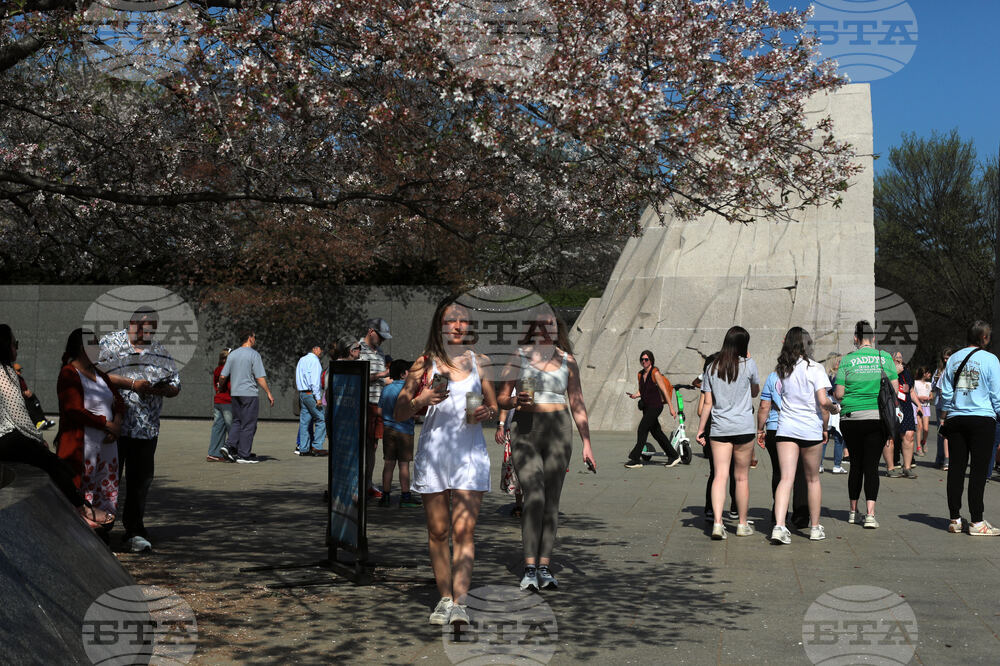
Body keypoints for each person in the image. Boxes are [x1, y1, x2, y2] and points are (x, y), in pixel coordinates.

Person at [393, 297, 498, 627]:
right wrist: (422, 399)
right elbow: (398, 411)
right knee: (438, 531)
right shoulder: (424, 364)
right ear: (440, 324)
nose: (457, 325)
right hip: (435, 454)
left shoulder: (481, 362)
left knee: (464, 531)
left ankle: (461, 603)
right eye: (451, 320)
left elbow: (493, 406)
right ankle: (444, 598)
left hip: (470, 454)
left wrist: (488, 412)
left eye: (463, 320)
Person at [498, 312, 596, 592]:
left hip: (559, 429)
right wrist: (515, 400)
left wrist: (587, 442)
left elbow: (577, 402)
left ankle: (544, 565)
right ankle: (529, 567)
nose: (545, 329)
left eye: (550, 324)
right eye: (540, 325)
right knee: (534, 495)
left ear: (557, 328)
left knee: (552, 499)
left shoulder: (567, 360)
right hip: (526, 428)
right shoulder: (519, 356)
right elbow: (503, 397)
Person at [0, 324, 113, 529]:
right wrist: (37, 438)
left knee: (54, 464)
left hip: (7, 437)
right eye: (15, 344)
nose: (17, 348)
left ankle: (80, 509)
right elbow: (17, 413)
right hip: (5, 437)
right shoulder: (4, 372)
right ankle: (83, 509)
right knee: (54, 463)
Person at [98, 308, 181, 553]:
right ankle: (101, 529)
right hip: (115, 426)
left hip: (146, 429)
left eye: (153, 328)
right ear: (132, 323)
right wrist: (133, 384)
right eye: (146, 327)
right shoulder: (110, 343)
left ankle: (134, 531)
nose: (149, 333)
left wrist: (163, 389)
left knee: (140, 482)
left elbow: (176, 384)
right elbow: (96, 374)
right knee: (108, 480)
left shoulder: (159, 351)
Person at [770, 327, 840, 545]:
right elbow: (822, 400)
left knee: (786, 479)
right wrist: (834, 407)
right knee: (812, 479)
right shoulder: (816, 368)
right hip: (810, 428)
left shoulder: (783, 369)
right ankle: (815, 527)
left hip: (786, 428)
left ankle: (779, 526)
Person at [56, 328, 127, 541]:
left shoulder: (100, 374)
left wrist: (116, 424)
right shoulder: (69, 373)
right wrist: (106, 424)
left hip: (106, 447)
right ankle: (79, 535)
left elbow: (119, 402)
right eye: (95, 344)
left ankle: (102, 532)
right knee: (82, 489)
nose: (99, 349)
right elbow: (73, 409)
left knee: (105, 488)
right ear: (82, 348)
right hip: (82, 446)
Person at [696, 326, 760, 540]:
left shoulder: (712, 366)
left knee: (719, 476)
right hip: (743, 427)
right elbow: (754, 392)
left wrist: (700, 430)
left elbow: (707, 403)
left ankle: (717, 523)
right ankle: (742, 524)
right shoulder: (749, 364)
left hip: (720, 428)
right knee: (741, 478)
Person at [938, 320, 1000, 536]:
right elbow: (996, 393)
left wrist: (945, 415)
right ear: (984, 338)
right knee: (978, 471)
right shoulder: (991, 360)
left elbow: (945, 392)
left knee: (956, 468)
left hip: (956, 418)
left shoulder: (954, 358)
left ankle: (954, 518)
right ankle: (976, 520)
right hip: (982, 418)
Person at [834, 320, 897, 530]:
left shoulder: (847, 360)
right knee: (871, 466)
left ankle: (853, 512)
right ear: (874, 338)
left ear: (855, 338)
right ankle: (870, 514)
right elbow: (894, 390)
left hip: (850, 418)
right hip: (876, 417)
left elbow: (839, 394)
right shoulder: (885, 358)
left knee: (856, 465)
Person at [756, 369, 809, 529]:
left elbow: (764, 405)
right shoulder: (808, 372)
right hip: (801, 427)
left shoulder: (773, 376)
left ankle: (779, 513)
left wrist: (760, 429)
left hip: (776, 427)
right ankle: (801, 516)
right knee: (801, 473)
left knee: (779, 473)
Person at [218, 330, 274, 464]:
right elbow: (259, 377)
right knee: (249, 424)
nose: (255, 339)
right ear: (249, 338)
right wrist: (268, 392)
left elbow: (223, 376)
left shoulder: (233, 354)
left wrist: (220, 387)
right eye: (255, 337)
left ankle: (229, 446)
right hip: (249, 394)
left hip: (235, 393)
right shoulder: (254, 355)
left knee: (237, 421)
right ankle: (244, 455)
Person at [696, 356, 736, 521]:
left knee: (715, 472)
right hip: (731, 429)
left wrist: (702, 428)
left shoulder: (708, 384)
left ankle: (710, 509)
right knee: (734, 471)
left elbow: (701, 410)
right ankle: (735, 509)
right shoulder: (729, 383)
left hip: (713, 429)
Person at [625, 350, 679, 468]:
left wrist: (671, 408)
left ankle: (635, 458)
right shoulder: (640, 374)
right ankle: (674, 455)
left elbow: (664, 390)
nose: (644, 362)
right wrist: (635, 395)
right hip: (647, 407)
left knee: (642, 429)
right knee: (656, 433)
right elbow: (643, 390)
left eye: (646, 359)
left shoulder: (655, 373)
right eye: (642, 359)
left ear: (651, 360)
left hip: (655, 406)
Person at [378, 359, 420, 508]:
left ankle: (386, 496)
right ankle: (405, 496)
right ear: (404, 374)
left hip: (388, 430)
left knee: (388, 463)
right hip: (405, 431)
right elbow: (413, 411)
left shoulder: (386, 389)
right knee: (404, 465)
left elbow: (379, 411)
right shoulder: (408, 390)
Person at [359, 318, 392, 499]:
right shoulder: (357, 349)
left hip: (378, 404)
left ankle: (368, 483)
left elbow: (382, 379)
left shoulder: (379, 352)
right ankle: (356, 483)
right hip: (363, 404)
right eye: (381, 336)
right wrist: (381, 375)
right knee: (359, 446)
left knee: (373, 446)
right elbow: (357, 376)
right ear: (371, 331)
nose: (382, 340)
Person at [885, 351, 920, 479]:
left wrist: (918, 404)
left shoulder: (906, 371)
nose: (899, 360)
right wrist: (895, 372)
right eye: (896, 358)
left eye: (900, 357)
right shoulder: (885, 370)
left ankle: (907, 467)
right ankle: (890, 467)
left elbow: (910, 390)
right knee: (890, 438)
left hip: (905, 407)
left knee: (909, 435)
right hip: (891, 406)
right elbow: (883, 385)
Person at [294, 344, 327, 457]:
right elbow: (315, 381)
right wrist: (318, 398)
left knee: (304, 422)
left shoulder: (301, 360)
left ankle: (303, 448)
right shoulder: (315, 361)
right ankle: (317, 447)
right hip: (311, 394)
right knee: (321, 419)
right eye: (320, 350)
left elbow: (298, 377)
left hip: (302, 393)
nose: (321, 353)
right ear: (315, 349)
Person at [495, 391, 524, 518]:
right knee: (515, 470)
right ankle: (519, 504)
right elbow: (505, 404)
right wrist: (501, 425)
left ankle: (535, 504)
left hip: (535, 431)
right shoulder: (515, 381)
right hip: (513, 430)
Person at [821, 355, 847, 474]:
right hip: (835, 408)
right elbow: (838, 395)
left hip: (827, 408)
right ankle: (837, 465)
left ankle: (819, 464)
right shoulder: (837, 376)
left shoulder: (825, 376)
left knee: (825, 439)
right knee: (838, 438)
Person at [12, 362, 55, 430]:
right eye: (18, 370)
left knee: (36, 403)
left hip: (25, 397)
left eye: (20, 370)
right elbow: (13, 391)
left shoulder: (20, 378)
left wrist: (28, 392)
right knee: (30, 405)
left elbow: (25, 388)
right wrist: (23, 393)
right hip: (19, 399)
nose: (20, 372)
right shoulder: (13, 379)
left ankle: (43, 420)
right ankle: (37, 422)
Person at [207, 348, 232, 462]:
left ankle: (213, 453)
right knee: (232, 428)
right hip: (228, 401)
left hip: (218, 401)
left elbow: (215, 385)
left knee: (218, 427)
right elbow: (231, 387)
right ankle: (234, 452)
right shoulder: (229, 370)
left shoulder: (217, 369)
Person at [932, 347, 955, 470]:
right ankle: (940, 458)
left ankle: (948, 458)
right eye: (944, 358)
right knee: (940, 433)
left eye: (948, 358)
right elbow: (933, 387)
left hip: (950, 405)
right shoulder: (939, 370)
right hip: (940, 404)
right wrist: (935, 381)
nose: (946, 361)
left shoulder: (954, 369)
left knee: (949, 433)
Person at [914, 366, 933, 456]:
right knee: (919, 427)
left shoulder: (929, 384)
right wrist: (919, 398)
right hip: (917, 406)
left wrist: (928, 398)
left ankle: (923, 442)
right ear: (924, 373)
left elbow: (931, 395)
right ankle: (918, 448)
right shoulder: (915, 383)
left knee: (926, 428)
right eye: (928, 373)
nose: (930, 374)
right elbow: (912, 394)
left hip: (926, 407)